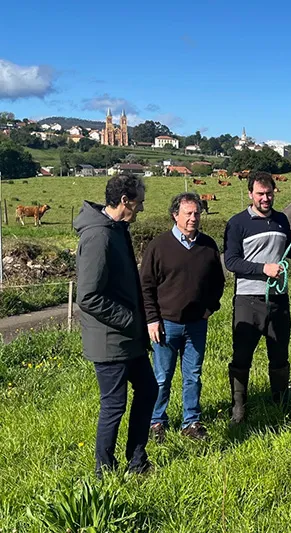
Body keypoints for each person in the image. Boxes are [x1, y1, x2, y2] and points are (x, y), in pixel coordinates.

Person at [73, 174, 157, 477]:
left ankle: (138, 462)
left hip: (128, 339)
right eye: (140, 202)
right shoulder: (98, 236)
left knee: (148, 390)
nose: (142, 209)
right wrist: (131, 320)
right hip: (110, 340)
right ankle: (104, 472)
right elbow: (89, 296)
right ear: (125, 200)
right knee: (114, 406)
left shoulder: (117, 230)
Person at [223, 171, 291, 423]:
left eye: (269, 193)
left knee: (279, 355)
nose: (265, 198)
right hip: (248, 300)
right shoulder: (237, 223)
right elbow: (231, 261)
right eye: (260, 194)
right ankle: (239, 409)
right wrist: (262, 268)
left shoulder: (281, 220)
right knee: (242, 356)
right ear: (250, 194)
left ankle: (280, 404)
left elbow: (288, 251)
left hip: (278, 300)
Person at [140, 192, 226, 442]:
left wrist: (211, 307)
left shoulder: (208, 245)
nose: (193, 218)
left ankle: (191, 422)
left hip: (197, 324)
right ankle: (157, 422)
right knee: (161, 377)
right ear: (175, 215)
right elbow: (145, 285)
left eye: (197, 213)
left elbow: (218, 282)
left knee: (193, 375)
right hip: (166, 324)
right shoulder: (159, 246)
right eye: (188, 213)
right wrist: (152, 319)